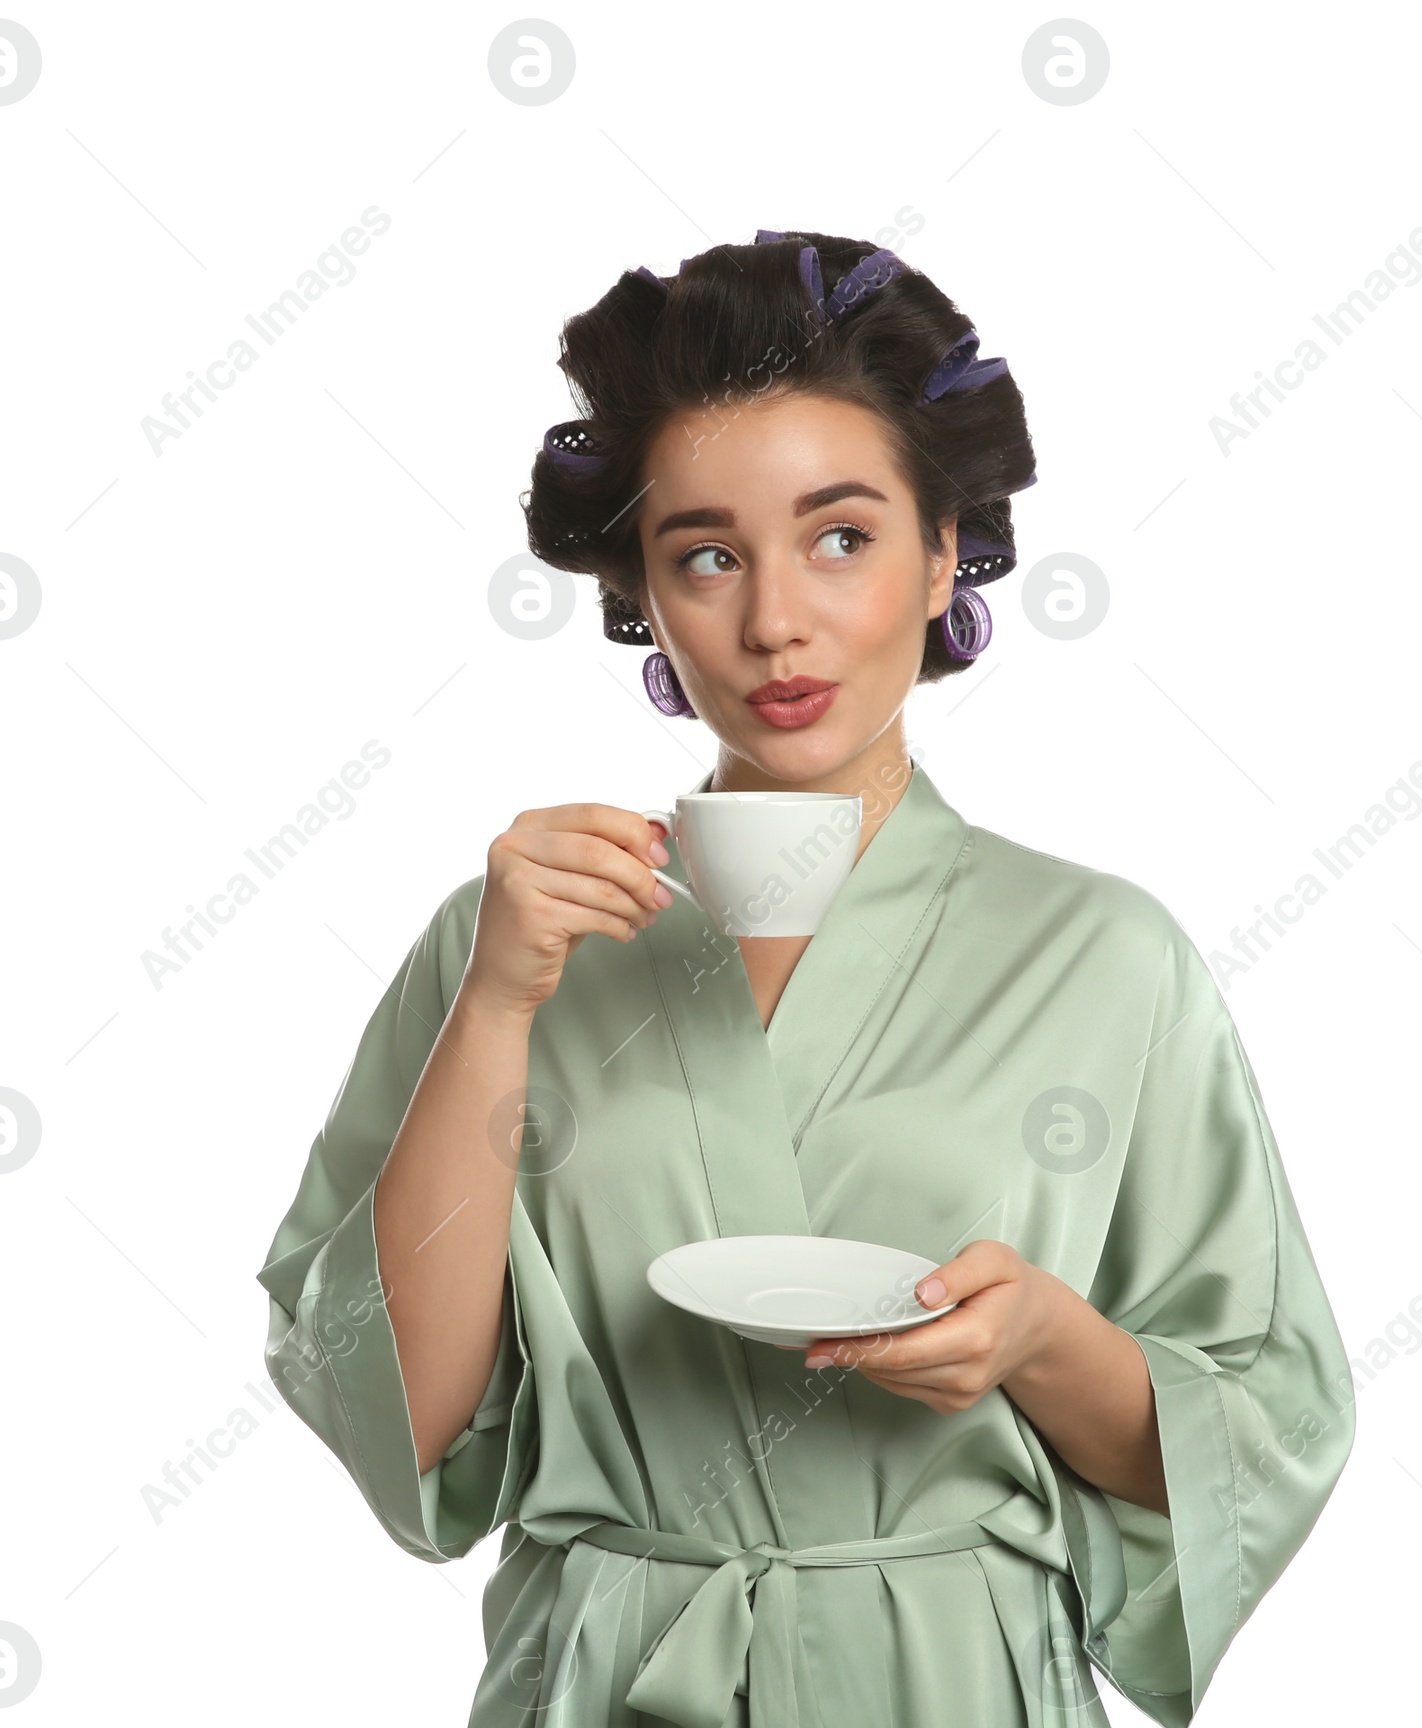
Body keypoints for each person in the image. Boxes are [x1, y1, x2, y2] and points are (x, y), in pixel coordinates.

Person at [256, 229, 1356, 1727]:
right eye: (706, 554)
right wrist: (500, 1005)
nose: (774, 619)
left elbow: (1260, 1431)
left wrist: (1040, 1338)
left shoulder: (1106, 958)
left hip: (953, 1681)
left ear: (943, 550)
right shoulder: (513, 936)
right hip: (604, 1672)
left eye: (840, 536)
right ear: (643, 594)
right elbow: (412, 1421)